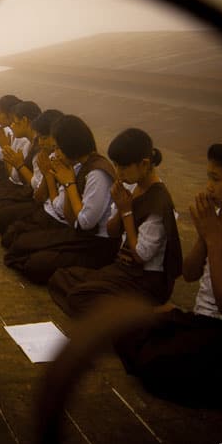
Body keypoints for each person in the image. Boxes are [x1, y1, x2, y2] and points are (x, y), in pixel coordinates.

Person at [114, 136, 222, 415]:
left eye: (216, 179)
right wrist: (204, 233)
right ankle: (220, 382)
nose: (209, 187)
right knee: (125, 331)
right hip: (203, 322)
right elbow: (191, 272)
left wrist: (213, 238)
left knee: (154, 368)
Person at [48, 128, 183, 315]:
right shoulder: (131, 186)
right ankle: (120, 310)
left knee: (80, 298)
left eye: (124, 167)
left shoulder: (158, 202)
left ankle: (149, 311)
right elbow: (112, 232)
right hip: (122, 269)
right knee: (61, 277)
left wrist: (127, 212)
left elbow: (141, 255)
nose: (118, 173)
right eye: (116, 166)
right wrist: (120, 209)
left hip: (146, 280)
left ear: (144, 164)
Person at [2, 115, 119, 284]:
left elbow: (85, 222)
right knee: (19, 244)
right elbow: (58, 205)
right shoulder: (75, 165)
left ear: (71, 146)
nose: (55, 153)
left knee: (34, 264)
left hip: (95, 244)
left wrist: (68, 183)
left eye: (58, 149)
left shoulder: (97, 173)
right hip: (76, 231)